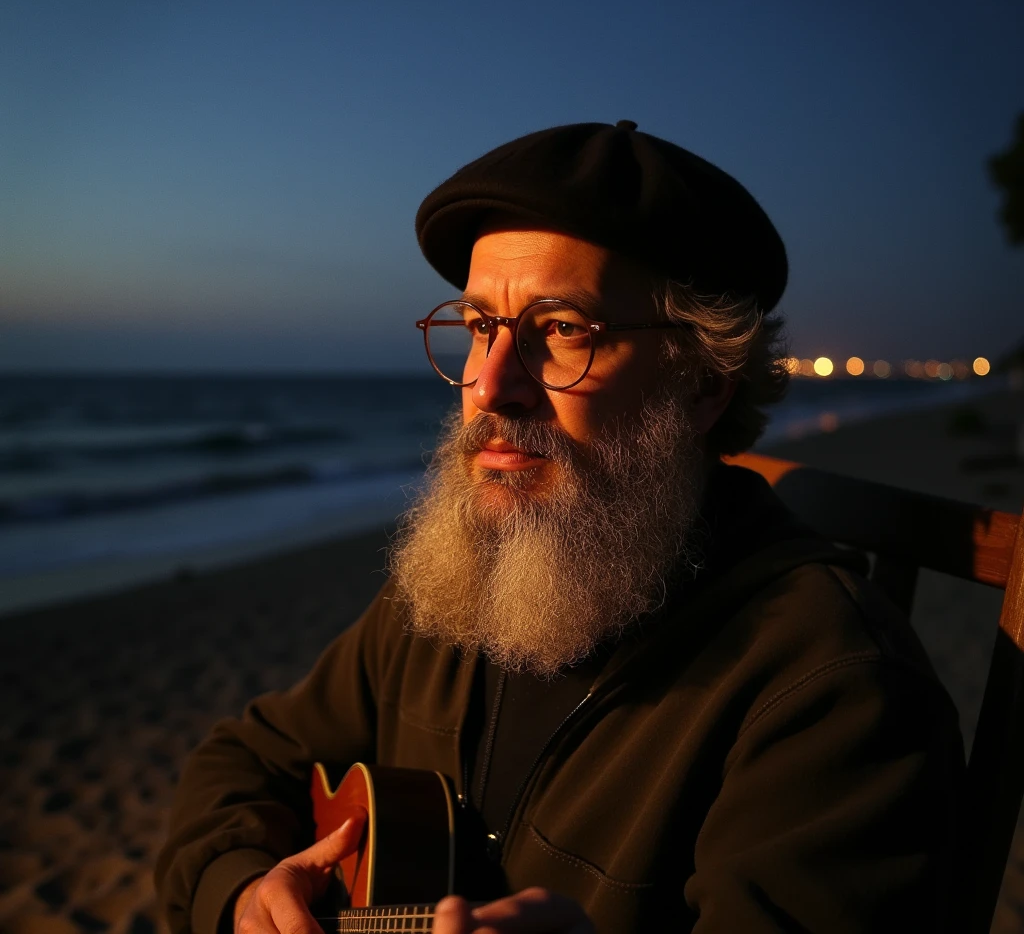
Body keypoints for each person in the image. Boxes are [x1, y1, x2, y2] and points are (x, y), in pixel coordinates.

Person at [156, 121, 965, 933]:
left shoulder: (833, 690)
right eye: (479, 327)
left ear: (704, 383)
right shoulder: (455, 585)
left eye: (564, 329)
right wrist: (240, 890)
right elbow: (245, 759)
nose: (490, 387)